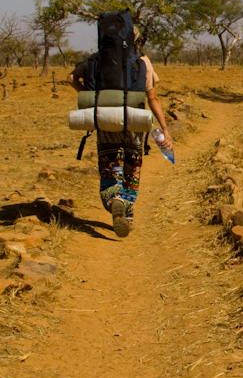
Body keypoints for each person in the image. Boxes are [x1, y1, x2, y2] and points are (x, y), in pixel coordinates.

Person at [67, 41, 172, 238]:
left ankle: (113, 200)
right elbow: (152, 98)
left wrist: (93, 99)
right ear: (135, 40)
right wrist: (164, 128)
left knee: (110, 167)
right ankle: (127, 212)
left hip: (106, 120)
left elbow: (71, 78)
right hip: (134, 120)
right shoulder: (142, 61)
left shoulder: (95, 59)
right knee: (132, 168)